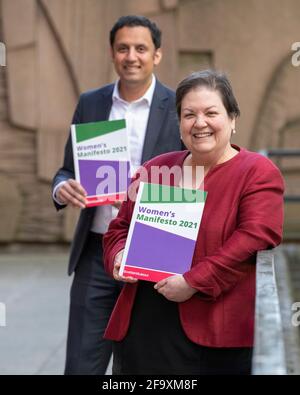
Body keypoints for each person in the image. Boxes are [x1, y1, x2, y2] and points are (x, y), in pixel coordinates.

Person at [103, 69, 285, 375]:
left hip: (217, 330)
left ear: (233, 119)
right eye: (189, 114)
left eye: (211, 112)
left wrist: (193, 282)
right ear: (180, 123)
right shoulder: (157, 169)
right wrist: (119, 255)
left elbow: (255, 235)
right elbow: (118, 228)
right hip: (147, 327)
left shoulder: (256, 171)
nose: (199, 123)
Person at [52, 15, 181, 375]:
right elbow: (66, 170)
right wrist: (62, 187)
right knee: (81, 364)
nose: (131, 56)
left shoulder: (178, 106)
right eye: (123, 48)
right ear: (112, 53)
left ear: (157, 55)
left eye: (141, 48)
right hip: (97, 252)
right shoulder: (92, 103)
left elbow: (195, 174)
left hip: (156, 249)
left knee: (146, 366)